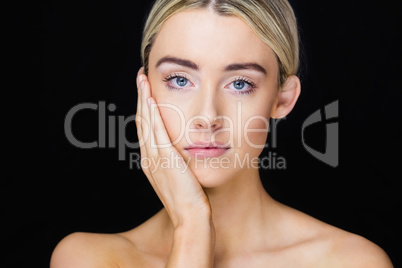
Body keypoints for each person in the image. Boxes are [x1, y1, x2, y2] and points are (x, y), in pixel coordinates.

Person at [50, 0, 393, 267]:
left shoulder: (351, 262)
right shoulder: (88, 259)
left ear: (283, 98)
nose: (207, 117)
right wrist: (192, 227)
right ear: (146, 88)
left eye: (240, 84)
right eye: (180, 80)